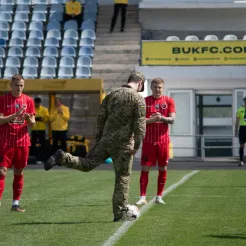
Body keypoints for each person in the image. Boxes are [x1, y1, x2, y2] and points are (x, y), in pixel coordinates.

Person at [44, 72, 147, 222]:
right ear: (140, 83)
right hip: (124, 145)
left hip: (106, 140)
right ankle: (119, 213)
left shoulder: (112, 94)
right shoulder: (138, 99)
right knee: (122, 178)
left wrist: (100, 139)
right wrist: (137, 145)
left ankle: (63, 157)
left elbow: (100, 119)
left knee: (87, 164)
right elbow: (140, 125)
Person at [136, 78, 176, 206]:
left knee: (163, 168)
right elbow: (139, 120)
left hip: (163, 141)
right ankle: (142, 196)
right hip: (148, 141)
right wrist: (151, 120)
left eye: (160, 87)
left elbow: (172, 119)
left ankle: (159, 196)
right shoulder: (144, 101)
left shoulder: (169, 101)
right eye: (155, 87)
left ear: (163, 88)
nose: (157, 90)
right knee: (145, 168)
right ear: (151, 88)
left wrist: (162, 118)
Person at [0, 74, 35, 212]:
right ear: (11, 85)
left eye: (21, 85)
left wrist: (28, 119)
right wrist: (15, 115)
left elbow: (32, 123)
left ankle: (15, 204)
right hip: (5, 142)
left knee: (19, 172)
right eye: (16, 85)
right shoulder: (3, 100)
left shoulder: (29, 100)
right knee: (2, 172)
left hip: (22, 142)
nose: (19, 88)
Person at [30, 98, 49, 164]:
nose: (37, 104)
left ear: (40, 103)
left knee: (43, 144)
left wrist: (41, 119)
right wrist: (36, 118)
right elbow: (29, 118)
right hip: (34, 129)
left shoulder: (44, 109)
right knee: (33, 144)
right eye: (36, 103)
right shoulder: (31, 109)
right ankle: (32, 159)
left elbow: (47, 119)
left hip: (41, 129)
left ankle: (44, 159)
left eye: (38, 103)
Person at [235, 96, 246, 167]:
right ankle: (241, 161)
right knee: (242, 145)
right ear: (244, 101)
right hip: (242, 128)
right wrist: (236, 130)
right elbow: (237, 121)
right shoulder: (240, 110)